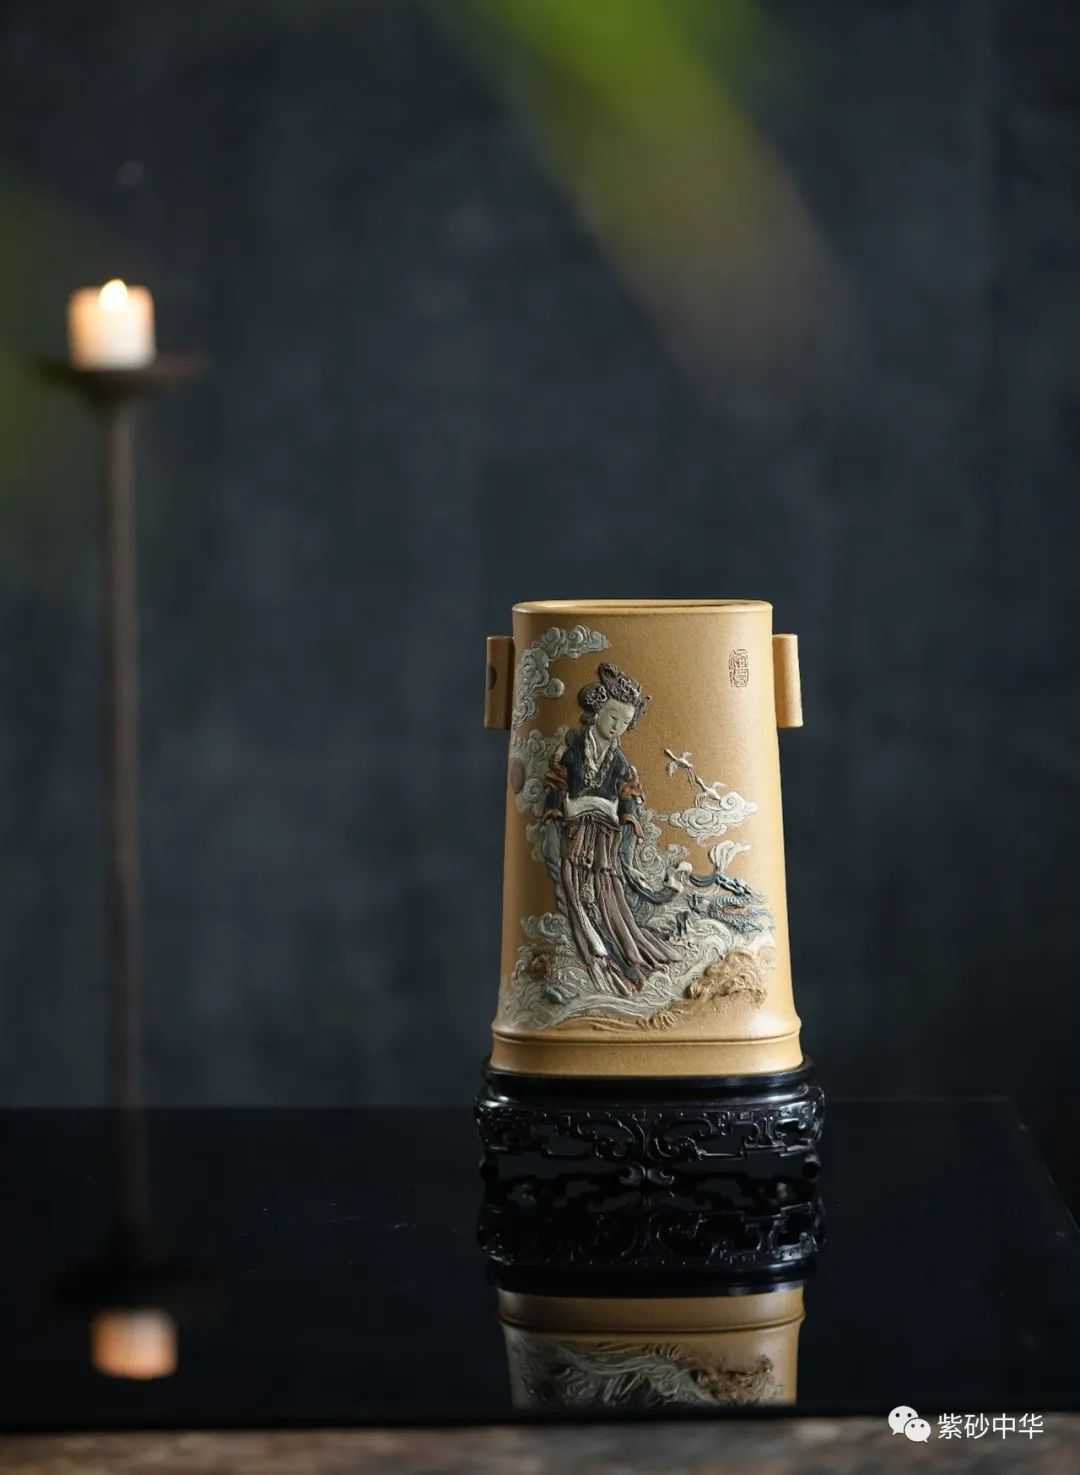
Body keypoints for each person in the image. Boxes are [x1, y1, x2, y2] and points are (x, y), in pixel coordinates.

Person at [543, 663, 681, 993]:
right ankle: (594, 953)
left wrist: (627, 817)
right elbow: (557, 785)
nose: (618, 727)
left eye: (625, 722)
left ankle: (624, 956)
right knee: (575, 887)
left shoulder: (620, 762)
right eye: (613, 717)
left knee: (607, 893)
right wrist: (558, 810)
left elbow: (628, 796)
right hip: (575, 833)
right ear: (597, 713)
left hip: (604, 837)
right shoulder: (573, 750)